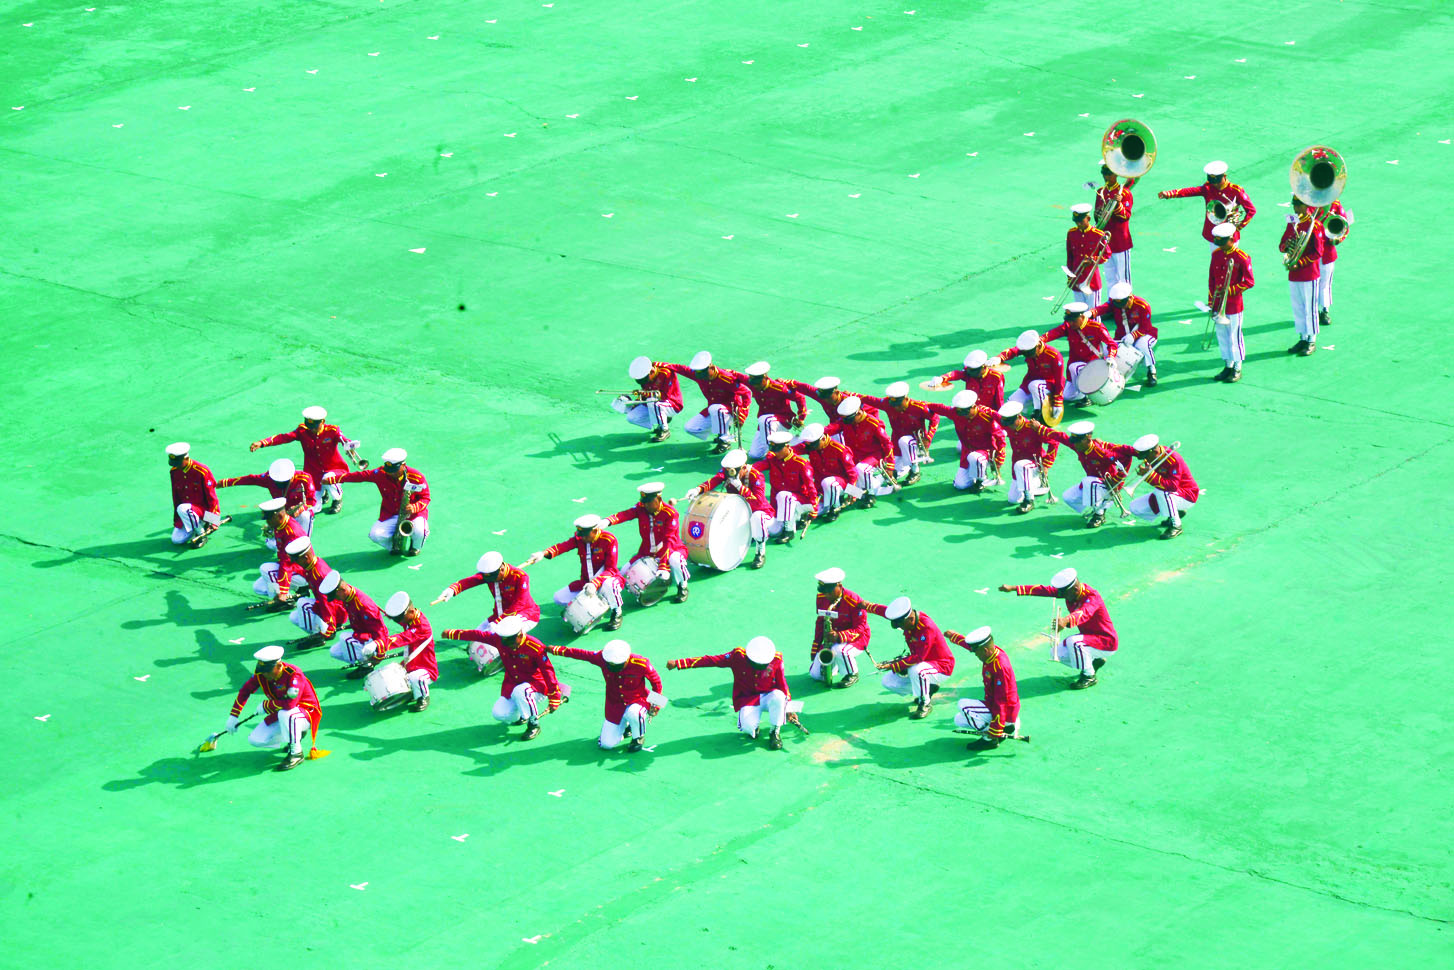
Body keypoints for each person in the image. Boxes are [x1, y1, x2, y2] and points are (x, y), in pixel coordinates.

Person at [440, 615, 565, 740]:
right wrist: (452, 634)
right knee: (499, 713)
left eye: (511, 642)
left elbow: (548, 672)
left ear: (520, 635)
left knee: (521, 691)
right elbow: (477, 635)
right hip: (513, 686)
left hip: (536, 687)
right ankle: (523, 714)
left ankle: (534, 725)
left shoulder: (535, 647)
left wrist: (554, 697)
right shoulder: (500, 640)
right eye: (505, 642)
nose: (508, 645)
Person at [667, 636, 793, 750]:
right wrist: (679, 663)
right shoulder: (737, 656)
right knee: (748, 728)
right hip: (748, 699)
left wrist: (789, 709)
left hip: (768, 696)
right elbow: (710, 660)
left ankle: (774, 732)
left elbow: (783, 685)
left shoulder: (776, 660)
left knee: (779, 696)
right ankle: (754, 727)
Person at [1000, 567, 1117, 689]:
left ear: (1075, 589)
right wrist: (1014, 588)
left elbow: (1084, 612)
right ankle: (1093, 661)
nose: (1062, 596)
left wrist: (1066, 620)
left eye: (1064, 594)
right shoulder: (1071, 593)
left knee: (1074, 642)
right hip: (1090, 640)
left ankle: (1089, 676)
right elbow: (1044, 590)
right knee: (1056, 653)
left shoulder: (1092, 597)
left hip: (1106, 641)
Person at [547, 639, 664, 752]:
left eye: (617, 665)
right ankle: (626, 726)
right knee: (606, 745)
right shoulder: (602, 657)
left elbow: (657, 683)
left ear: (627, 659)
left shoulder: (641, 663)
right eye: (609, 664)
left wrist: (656, 705)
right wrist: (556, 650)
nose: (612, 667)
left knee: (634, 713)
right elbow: (581, 654)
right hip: (615, 705)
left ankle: (638, 737)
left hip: (637, 699)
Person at [432, 551, 540, 674]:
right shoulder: (490, 575)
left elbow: (519, 604)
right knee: (478, 637)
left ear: (501, 569)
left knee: (502, 635)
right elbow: (469, 581)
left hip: (525, 614)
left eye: (492, 578)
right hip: (499, 615)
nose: (490, 580)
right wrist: (452, 590)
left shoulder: (521, 577)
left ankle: (515, 658)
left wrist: (499, 622)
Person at [223, 645, 322, 771]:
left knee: (286, 714)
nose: (265, 674)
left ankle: (296, 753)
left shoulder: (294, 675)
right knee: (255, 740)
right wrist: (233, 716)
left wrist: (267, 706)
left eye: (268, 671)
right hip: (283, 713)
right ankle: (295, 736)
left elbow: (290, 704)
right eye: (263, 671)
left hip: (306, 713)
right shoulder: (262, 674)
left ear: (279, 666)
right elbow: (245, 690)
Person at [250, 406, 363, 514]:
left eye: (315, 426)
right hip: (314, 473)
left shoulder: (332, 430)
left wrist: (350, 446)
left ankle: (337, 499)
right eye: (309, 426)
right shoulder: (302, 431)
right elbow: (284, 437)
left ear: (323, 421)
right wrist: (262, 443)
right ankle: (323, 493)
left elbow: (344, 439)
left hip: (334, 469)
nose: (312, 429)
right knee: (313, 508)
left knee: (328, 478)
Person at [523, 514, 626, 631]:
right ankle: (595, 605)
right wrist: (543, 554)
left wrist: (595, 583)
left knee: (609, 585)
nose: (583, 538)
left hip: (605, 580)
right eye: (582, 535)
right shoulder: (580, 539)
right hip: (586, 582)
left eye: (586, 535)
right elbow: (562, 546)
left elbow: (611, 569)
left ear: (595, 530)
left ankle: (617, 612)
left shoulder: (608, 540)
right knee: (559, 598)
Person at [865, 596, 954, 719]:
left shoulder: (926, 627)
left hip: (941, 667)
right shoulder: (907, 619)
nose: (901, 628)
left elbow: (919, 657)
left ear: (910, 619)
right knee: (888, 681)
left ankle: (925, 704)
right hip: (922, 665)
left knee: (916, 670)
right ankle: (928, 688)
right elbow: (886, 612)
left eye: (901, 625)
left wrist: (895, 665)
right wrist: (868, 606)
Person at [685, 448, 775, 568]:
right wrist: (698, 489)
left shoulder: (756, 476)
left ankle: (760, 552)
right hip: (740, 513)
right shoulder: (728, 472)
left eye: (733, 471)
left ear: (743, 467)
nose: (730, 474)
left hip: (761, 514)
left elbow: (758, 503)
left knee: (757, 518)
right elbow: (715, 479)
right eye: (727, 470)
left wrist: (740, 487)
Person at [606, 482, 691, 603]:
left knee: (676, 560)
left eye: (649, 502)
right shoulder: (641, 508)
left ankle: (682, 586)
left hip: (671, 550)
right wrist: (608, 521)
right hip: (647, 552)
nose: (646, 505)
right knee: (623, 571)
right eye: (644, 502)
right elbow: (626, 514)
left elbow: (669, 540)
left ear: (659, 499)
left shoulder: (670, 513)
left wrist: (663, 565)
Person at [334, 448, 430, 555]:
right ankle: (395, 546)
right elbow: (359, 476)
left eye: (394, 471)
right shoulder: (381, 473)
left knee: (420, 532)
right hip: (391, 513)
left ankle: (415, 546)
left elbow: (425, 497)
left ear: (403, 465)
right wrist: (334, 479)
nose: (391, 474)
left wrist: (414, 507)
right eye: (389, 471)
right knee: (375, 535)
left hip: (413, 514)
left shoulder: (416, 477)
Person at [944, 626, 1019, 750]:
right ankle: (997, 730)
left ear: (985, 650)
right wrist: (954, 637)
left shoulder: (1000, 667)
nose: (975, 654)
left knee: (963, 705)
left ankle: (991, 738)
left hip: (1006, 712)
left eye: (976, 652)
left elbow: (1002, 700)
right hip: (993, 705)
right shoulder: (991, 652)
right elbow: (971, 646)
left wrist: (996, 728)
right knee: (959, 720)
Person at [1050, 421, 1137, 527]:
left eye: (1077, 442)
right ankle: (1098, 506)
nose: (1074, 444)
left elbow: (1125, 458)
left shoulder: (1101, 452)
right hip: (1094, 486)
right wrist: (1039, 428)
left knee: (1088, 481)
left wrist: (1116, 480)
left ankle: (1099, 515)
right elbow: (1061, 437)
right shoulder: (1079, 447)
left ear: (1086, 439)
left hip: (1108, 486)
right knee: (1068, 497)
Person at [216, 457, 316, 548]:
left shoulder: (304, 479)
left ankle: (303, 545)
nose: (278, 484)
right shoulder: (269, 478)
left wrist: (301, 509)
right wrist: (227, 482)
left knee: (305, 515)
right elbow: (251, 479)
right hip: (281, 515)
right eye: (276, 481)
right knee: (271, 545)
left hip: (298, 513)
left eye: (282, 482)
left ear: (291, 477)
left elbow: (312, 501)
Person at [665, 352, 751, 453]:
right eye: (699, 374)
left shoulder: (726, 378)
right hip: (715, 411)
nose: (702, 377)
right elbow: (682, 369)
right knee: (690, 428)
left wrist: (742, 415)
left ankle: (725, 441)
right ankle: (722, 429)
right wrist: (663, 365)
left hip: (730, 412)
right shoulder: (699, 375)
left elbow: (747, 393)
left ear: (711, 367)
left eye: (703, 374)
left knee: (716, 409)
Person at [1157, 161, 1256, 250]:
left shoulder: (1235, 191)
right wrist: (1170, 194)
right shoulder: (1208, 187)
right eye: (1213, 182)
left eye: (1217, 181)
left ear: (1224, 176)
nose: (1215, 185)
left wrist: (1239, 227)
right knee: (1216, 260)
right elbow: (1190, 191)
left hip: (1229, 236)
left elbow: (1251, 210)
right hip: (1213, 234)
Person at [926, 390, 1005, 493]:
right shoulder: (956, 413)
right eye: (959, 411)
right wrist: (924, 405)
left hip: (985, 451)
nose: (962, 415)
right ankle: (976, 472)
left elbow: (1000, 438)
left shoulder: (987, 415)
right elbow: (940, 408)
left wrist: (999, 459)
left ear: (973, 406)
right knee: (960, 485)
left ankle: (981, 480)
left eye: (964, 412)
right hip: (967, 450)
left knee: (975, 457)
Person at [860, 382, 940, 485]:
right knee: (889, 475)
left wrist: (928, 438)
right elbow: (870, 399)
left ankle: (915, 470)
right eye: (894, 405)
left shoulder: (918, 407)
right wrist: (850, 395)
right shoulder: (887, 404)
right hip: (897, 447)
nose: (896, 408)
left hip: (914, 445)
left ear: (906, 399)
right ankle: (862, 490)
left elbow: (935, 418)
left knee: (904, 441)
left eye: (898, 405)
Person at [825, 396, 897, 508]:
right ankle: (859, 494)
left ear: (858, 413)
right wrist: (817, 433)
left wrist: (891, 465)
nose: (846, 422)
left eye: (849, 419)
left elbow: (887, 443)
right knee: (843, 473)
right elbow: (833, 428)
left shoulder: (874, 423)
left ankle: (870, 495)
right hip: (855, 456)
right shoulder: (847, 421)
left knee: (861, 469)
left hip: (874, 456)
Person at [809, 567, 872, 688]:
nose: (827, 595)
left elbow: (860, 628)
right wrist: (816, 646)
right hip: (832, 638)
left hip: (857, 639)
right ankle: (837, 665)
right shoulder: (822, 598)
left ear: (840, 586)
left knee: (840, 650)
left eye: (830, 591)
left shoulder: (853, 600)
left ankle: (852, 674)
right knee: (816, 675)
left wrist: (839, 636)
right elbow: (820, 622)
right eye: (824, 592)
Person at [1127, 435, 1199, 539]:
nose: (1145, 459)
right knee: (1135, 508)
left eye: (1146, 456)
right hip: (1169, 494)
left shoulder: (1173, 459)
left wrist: (1150, 476)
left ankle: (1176, 526)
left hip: (1187, 495)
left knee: (1162, 491)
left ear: (1153, 451)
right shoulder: (1152, 457)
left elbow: (1172, 486)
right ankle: (1175, 512)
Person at [1207, 222, 1254, 382]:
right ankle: (1228, 365)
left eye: (1222, 242)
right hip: (1219, 303)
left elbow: (1249, 281)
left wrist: (1230, 290)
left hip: (1233, 304)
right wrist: (1212, 300)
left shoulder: (1242, 257)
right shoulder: (1216, 255)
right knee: (1222, 336)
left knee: (1234, 336)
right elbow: (1212, 279)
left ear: (1231, 239)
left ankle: (1237, 367)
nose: (1219, 245)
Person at [374, 592, 437, 712]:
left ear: (411, 612)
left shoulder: (421, 626)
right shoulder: (410, 618)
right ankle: (412, 692)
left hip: (426, 667)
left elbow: (403, 638)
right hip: (410, 663)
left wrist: (379, 644)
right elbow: (402, 619)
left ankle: (423, 697)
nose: (400, 621)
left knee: (416, 678)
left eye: (400, 619)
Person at [1044, 302, 1116, 405]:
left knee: (1075, 367)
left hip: (1092, 366)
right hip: (1075, 370)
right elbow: (1053, 333)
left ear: (1082, 317)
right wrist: (1040, 340)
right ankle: (1082, 393)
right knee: (1068, 396)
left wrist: (1111, 357)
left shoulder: (1096, 327)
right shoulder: (1068, 326)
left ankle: (1087, 396)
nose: (1070, 323)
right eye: (1069, 321)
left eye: (1073, 321)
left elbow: (1112, 344)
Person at [1280, 198, 1326, 356]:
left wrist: (1299, 263)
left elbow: (1318, 252)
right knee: (1298, 307)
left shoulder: (1315, 225)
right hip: (1294, 274)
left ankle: (1311, 340)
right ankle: (1303, 337)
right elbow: (1282, 244)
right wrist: (1286, 246)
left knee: (1310, 309)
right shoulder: (1292, 222)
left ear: (1306, 206)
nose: (1296, 208)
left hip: (1308, 273)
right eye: (1294, 204)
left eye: (1299, 205)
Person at [321, 571, 390, 673]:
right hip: (361, 634)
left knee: (345, 637)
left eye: (335, 596)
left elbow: (379, 632)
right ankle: (363, 660)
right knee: (334, 652)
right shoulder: (348, 594)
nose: (336, 598)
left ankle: (367, 665)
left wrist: (379, 654)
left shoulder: (364, 605)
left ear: (342, 590)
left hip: (373, 640)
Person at [282, 537, 345, 646]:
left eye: (296, 559)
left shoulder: (319, 574)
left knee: (303, 603)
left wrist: (330, 627)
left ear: (305, 557)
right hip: (325, 607)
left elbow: (327, 603)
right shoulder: (312, 565)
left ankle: (318, 636)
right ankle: (317, 632)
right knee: (294, 617)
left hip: (335, 612)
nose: (295, 562)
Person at [998, 402, 1059, 513]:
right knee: (1013, 500)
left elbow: (1054, 442)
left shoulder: (1032, 427)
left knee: (1021, 465)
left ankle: (1029, 500)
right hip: (1019, 468)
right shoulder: (1008, 425)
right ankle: (1035, 485)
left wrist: (1046, 465)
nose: (1009, 426)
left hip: (1034, 465)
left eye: (1011, 422)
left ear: (1019, 416)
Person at [758, 431, 819, 543]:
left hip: (801, 501)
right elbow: (756, 467)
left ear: (787, 446)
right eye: (774, 450)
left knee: (784, 495)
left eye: (778, 450)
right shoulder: (773, 460)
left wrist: (814, 508)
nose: (776, 453)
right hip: (782, 506)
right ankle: (795, 519)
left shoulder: (801, 463)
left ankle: (789, 531)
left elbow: (811, 487)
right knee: (771, 530)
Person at [1095, 282, 1158, 387]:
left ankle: (1151, 370)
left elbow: (1145, 327)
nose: (1122, 307)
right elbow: (1103, 308)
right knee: (1106, 350)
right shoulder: (1116, 303)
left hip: (1145, 334)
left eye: (1124, 303)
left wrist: (1133, 335)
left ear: (1130, 297)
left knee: (1142, 345)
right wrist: (1091, 312)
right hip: (1122, 336)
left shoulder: (1142, 306)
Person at [996, 330, 1066, 424]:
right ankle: (1019, 423)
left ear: (1038, 345)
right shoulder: (1028, 349)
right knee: (1012, 402)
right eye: (1025, 353)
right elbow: (1013, 351)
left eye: (1030, 352)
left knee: (1035, 385)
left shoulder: (1054, 355)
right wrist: (999, 358)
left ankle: (1038, 412)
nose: (1028, 355)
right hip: (1030, 383)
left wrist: (1058, 401)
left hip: (1049, 385)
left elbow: (1059, 379)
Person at [742, 361, 807, 459]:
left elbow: (800, 397)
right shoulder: (754, 385)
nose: (756, 386)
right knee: (754, 454)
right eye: (753, 383)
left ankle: (772, 452)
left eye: (758, 383)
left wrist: (801, 418)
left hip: (783, 420)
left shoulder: (779, 388)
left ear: (765, 378)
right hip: (766, 424)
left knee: (764, 420)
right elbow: (739, 377)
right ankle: (796, 441)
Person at [251, 497, 307, 609]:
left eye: (269, 519)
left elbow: (287, 564)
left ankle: (280, 600)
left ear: (279, 516)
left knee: (266, 569)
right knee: (258, 588)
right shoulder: (280, 525)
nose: (267, 522)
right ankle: (297, 591)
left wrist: (282, 591)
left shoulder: (291, 532)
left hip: (300, 572)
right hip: (291, 569)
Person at [611, 356, 683, 442]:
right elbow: (647, 393)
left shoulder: (666, 373)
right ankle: (662, 420)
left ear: (651, 372)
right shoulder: (644, 378)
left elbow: (664, 396)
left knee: (653, 402)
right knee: (631, 417)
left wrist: (645, 393)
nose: (644, 383)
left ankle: (664, 430)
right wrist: (633, 403)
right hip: (654, 404)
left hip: (672, 404)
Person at [166, 442, 223, 547]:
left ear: (186, 458)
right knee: (176, 540)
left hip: (204, 512)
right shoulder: (174, 472)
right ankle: (197, 525)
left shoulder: (202, 471)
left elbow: (212, 497)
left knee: (183, 508)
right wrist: (178, 520)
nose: (176, 466)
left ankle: (201, 534)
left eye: (178, 463)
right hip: (187, 513)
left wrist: (214, 519)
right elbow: (176, 497)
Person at [798, 423, 857, 522]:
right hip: (821, 488)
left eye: (814, 445)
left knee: (829, 482)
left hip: (842, 485)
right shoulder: (812, 446)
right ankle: (829, 503)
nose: (812, 448)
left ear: (823, 439)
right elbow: (794, 450)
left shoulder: (839, 449)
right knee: (805, 510)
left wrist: (853, 493)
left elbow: (852, 473)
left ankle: (834, 508)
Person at [1095, 163, 1136, 291]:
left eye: (1109, 174)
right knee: (1110, 278)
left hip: (1120, 242)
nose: (1106, 177)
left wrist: (1117, 205)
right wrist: (1098, 213)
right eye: (1104, 174)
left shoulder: (1124, 193)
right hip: (1106, 243)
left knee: (1123, 279)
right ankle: (1112, 301)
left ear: (1116, 174)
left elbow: (1126, 216)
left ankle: (1125, 301)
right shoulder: (1101, 192)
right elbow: (1097, 216)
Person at [1064, 203, 1110, 307]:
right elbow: (1070, 257)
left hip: (1092, 281)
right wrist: (1069, 276)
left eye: (1081, 221)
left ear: (1088, 218)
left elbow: (1107, 254)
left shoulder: (1098, 235)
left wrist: (1093, 260)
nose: (1078, 224)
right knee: (1078, 312)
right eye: (1076, 222)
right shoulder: (1071, 233)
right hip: (1076, 280)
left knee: (1092, 312)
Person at [1316, 199, 1351, 328]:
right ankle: (1312, 311)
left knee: (1325, 283)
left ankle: (1324, 310)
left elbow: (1344, 225)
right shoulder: (1307, 202)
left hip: (1327, 251)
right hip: (1310, 250)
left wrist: (1337, 239)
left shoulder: (1335, 204)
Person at [933, 350, 1006, 411]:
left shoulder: (996, 377)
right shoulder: (969, 372)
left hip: (987, 414)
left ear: (983, 367)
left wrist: (1000, 417)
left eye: (973, 370)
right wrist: (942, 378)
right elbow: (957, 374)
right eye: (968, 369)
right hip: (970, 412)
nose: (969, 372)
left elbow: (999, 399)